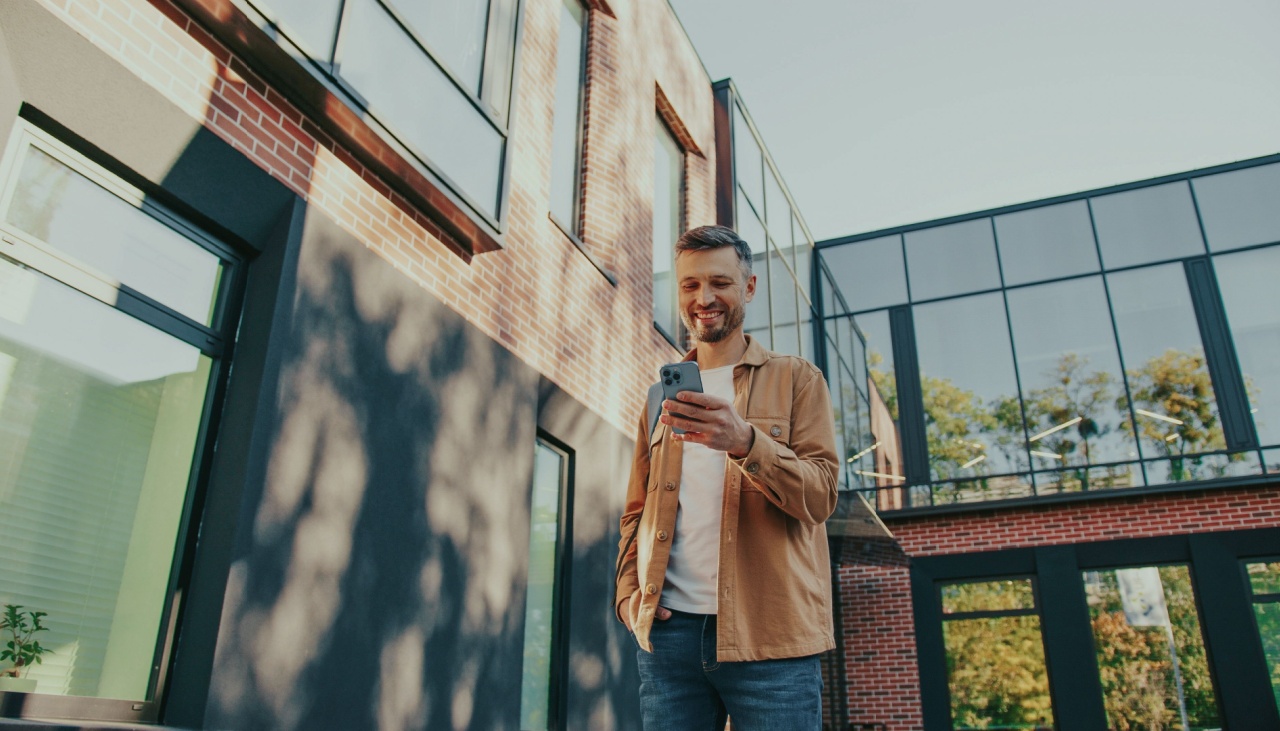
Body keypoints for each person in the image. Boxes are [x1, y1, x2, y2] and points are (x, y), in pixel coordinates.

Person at [615, 224, 839, 730]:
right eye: (690, 285)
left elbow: (822, 496)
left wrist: (746, 442)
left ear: (750, 288)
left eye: (719, 282)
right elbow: (636, 512)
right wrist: (627, 596)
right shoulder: (659, 398)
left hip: (772, 642)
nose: (704, 298)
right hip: (669, 640)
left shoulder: (798, 379)